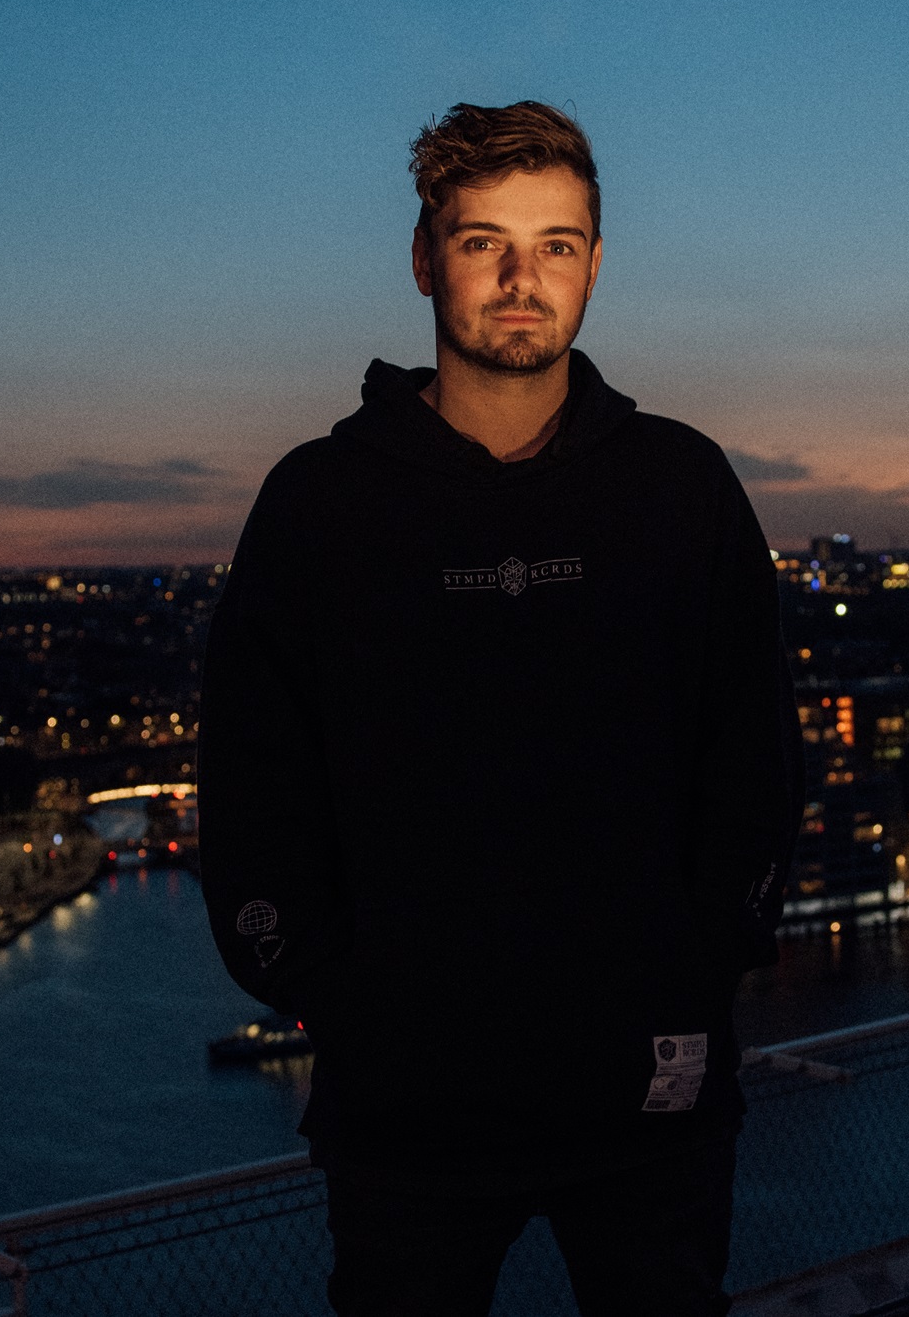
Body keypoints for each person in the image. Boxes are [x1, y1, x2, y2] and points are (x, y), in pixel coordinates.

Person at [198, 100, 804, 1317]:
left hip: (650, 1090)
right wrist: (334, 991)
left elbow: (754, 753)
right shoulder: (321, 505)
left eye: (557, 244)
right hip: (407, 1108)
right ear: (426, 259)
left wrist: (700, 956)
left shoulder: (679, 486)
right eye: (484, 243)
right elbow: (255, 779)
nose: (521, 280)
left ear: (593, 264)